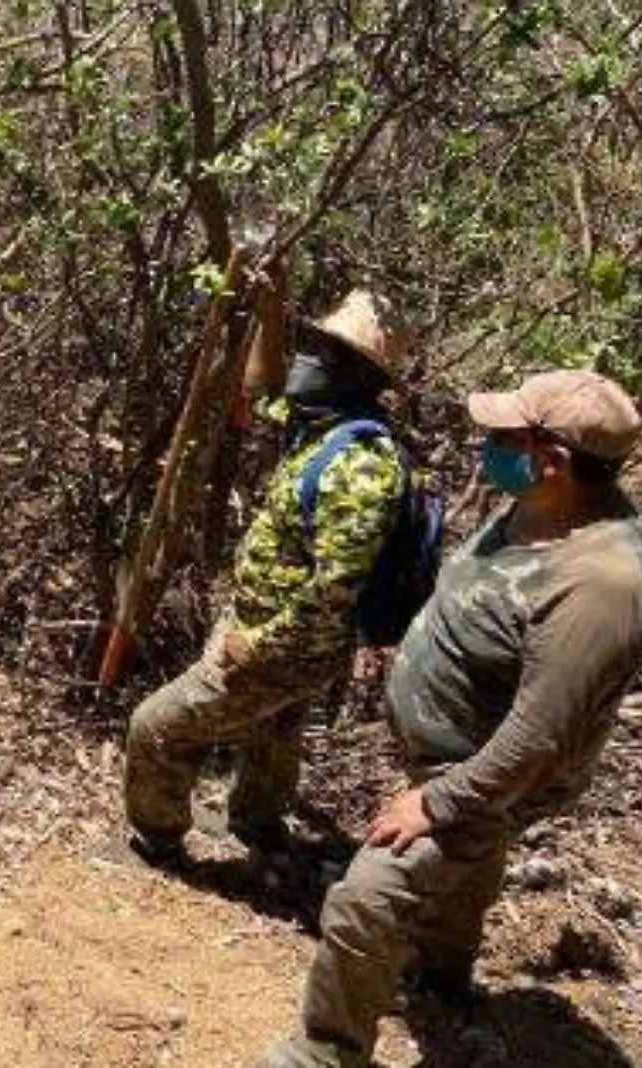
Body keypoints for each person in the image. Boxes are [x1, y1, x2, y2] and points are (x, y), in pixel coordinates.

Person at [256, 369, 642, 1068]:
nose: (489, 445)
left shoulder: (603, 584)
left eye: (506, 436)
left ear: (553, 459)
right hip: (463, 753)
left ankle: (325, 1051)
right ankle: (442, 974)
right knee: (464, 871)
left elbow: (541, 739)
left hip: (490, 772)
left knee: (365, 899)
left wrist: (439, 802)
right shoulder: (541, 504)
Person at [124, 290, 416, 864]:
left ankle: (156, 840)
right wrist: (267, 305)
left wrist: (254, 644)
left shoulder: (361, 465)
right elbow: (256, 392)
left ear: (354, 374)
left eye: (322, 350)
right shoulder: (321, 426)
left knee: (157, 727)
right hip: (271, 636)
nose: (306, 359)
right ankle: (259, 823)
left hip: (282, 648)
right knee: (275, 731)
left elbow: (334, 591)